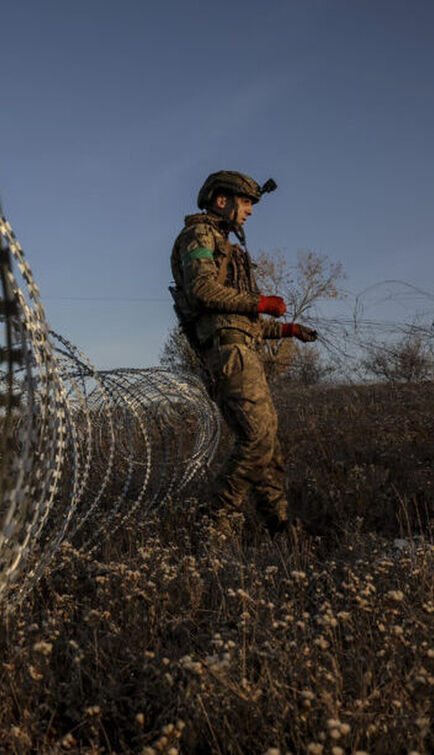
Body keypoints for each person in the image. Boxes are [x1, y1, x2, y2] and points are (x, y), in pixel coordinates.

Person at [168, 170, 318, 542]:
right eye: (246, 202)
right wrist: (261, 302)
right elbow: (203, 290)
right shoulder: (198, 236)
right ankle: (212, 518)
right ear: (223, 201)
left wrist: (286, 330)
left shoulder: (225, 244)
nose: (249, 211)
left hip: (240, 346)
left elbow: (240, 318)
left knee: (268, 442)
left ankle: (279, 526)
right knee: (257, 439)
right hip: (228, 353)